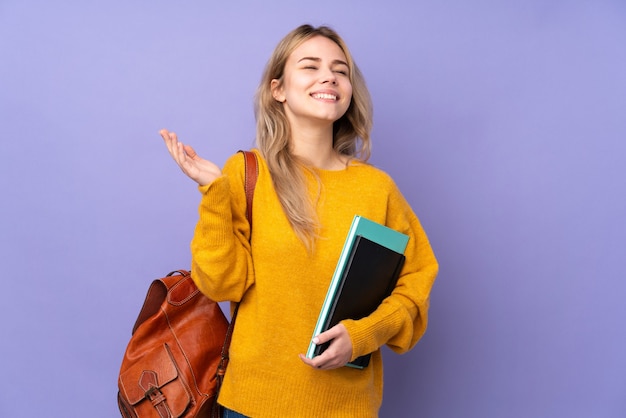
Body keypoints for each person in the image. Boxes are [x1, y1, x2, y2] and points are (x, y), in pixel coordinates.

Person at [161, 24, 438, 418]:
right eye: (310, 66)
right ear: (279, 89)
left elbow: (417, 283)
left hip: (347, 408)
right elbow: (221, 283)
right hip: (251, 405)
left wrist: (363, 335)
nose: (329, 76)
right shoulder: (244, 173)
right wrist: (214, 194)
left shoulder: (377, 189)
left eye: (340, 70)